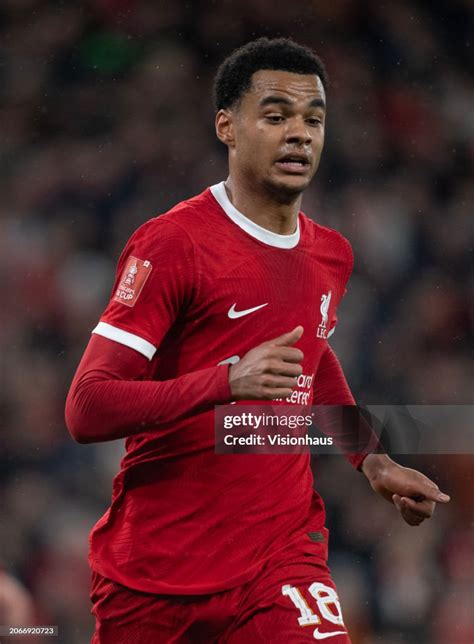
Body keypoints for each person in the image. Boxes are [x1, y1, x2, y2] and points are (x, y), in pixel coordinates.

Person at [65, 37, 450, 643]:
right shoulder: (173, 244)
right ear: (228, 126)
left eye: (312, 120)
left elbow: (314, 365)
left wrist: (370, 459)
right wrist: (226, 382)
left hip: (282, 556)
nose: (298, 135)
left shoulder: (332, 254)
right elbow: (87, 407)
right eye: (275, 117)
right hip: (158, 573)